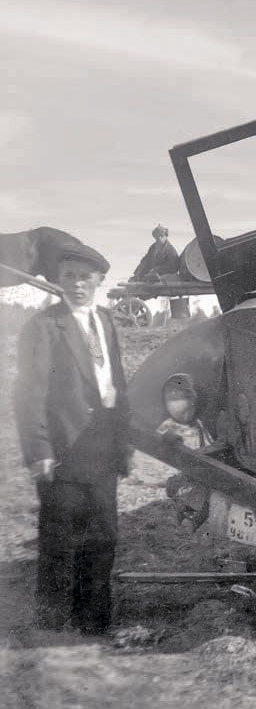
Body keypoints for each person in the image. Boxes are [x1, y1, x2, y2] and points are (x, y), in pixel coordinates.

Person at [15, 241, 131, 635]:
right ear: (59, 280)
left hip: (102, 448)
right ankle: (51, 627)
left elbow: (117, 382)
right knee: (60, 540)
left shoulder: (106, 320)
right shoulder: (44, 326)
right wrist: (39, 450)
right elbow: (29, 393)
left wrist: (123, 443)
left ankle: (94, 624)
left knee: (102, 537)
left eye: (85, 277)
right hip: (62, 452)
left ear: (99, 281)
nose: (77, 284)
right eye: (69, 277)